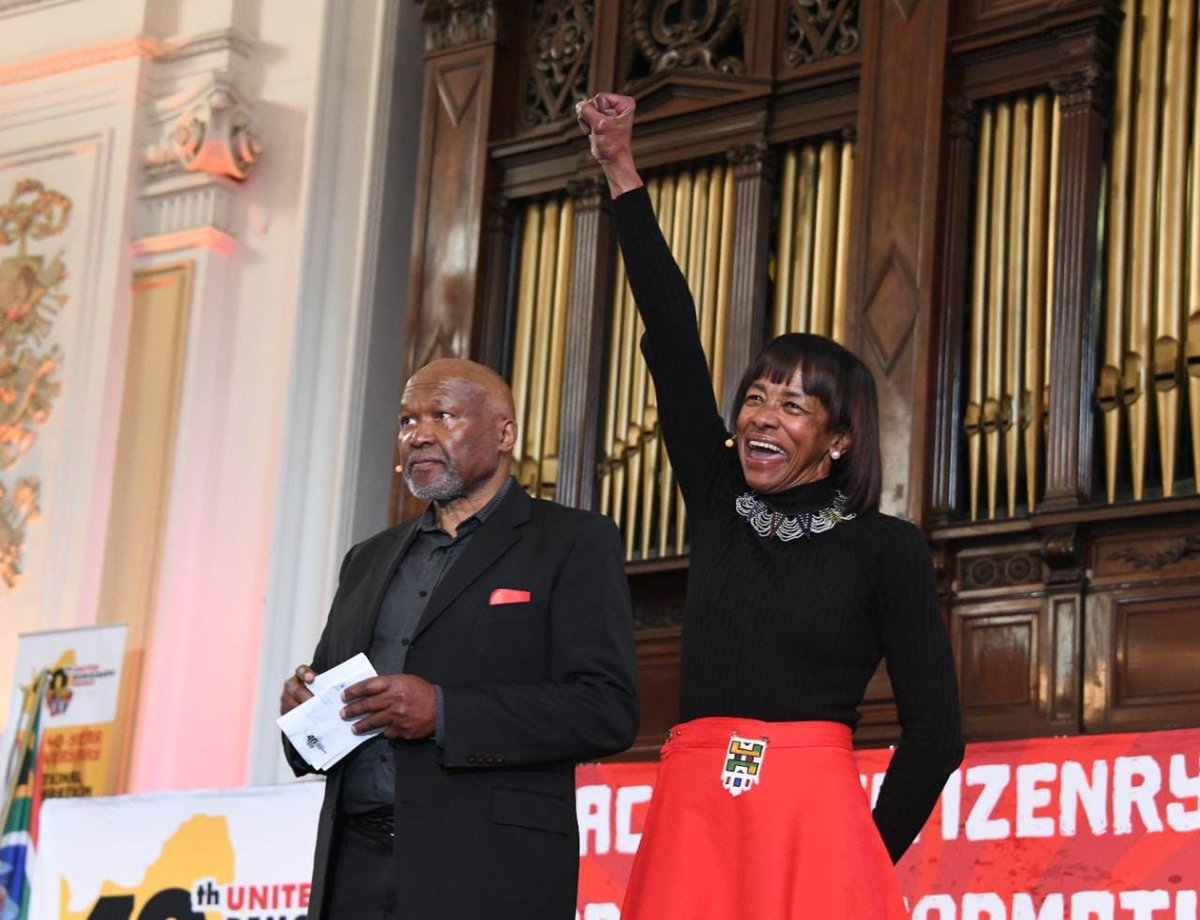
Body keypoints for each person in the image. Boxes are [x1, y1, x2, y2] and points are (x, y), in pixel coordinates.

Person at [577, 93, 964, 918]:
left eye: (793, 406)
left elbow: (936, 733)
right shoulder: (717, 499)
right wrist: (621, 170)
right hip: (695, 810)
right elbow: (673, 339)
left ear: (839, 439)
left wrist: (863, 849)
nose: (762, 415)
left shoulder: (885, 548)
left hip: (814, 826)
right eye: (756, 396)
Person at [280, 357, 639, 919]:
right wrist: (303, 712)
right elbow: (331, 698)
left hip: (486, 868)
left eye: (442, 415)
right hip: (354, 867)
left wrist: (443, 712)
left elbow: (605, 709)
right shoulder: (367, 558)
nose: (418, 434)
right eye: (406, 421)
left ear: (505, 433)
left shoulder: (572, 541)